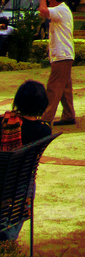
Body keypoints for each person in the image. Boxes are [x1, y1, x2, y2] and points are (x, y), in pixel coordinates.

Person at [0, 80, 51, 242]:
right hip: (20, 187)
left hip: (1, 182)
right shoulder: (43, 129)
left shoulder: (3, 122)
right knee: (27, 179)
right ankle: (8, 237)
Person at [37, 0, 76, 127]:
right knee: (65, 88)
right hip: (63, 54)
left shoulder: (60, 10)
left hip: (62, 55)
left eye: (48, 0)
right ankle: (68, 115)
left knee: (53, 87)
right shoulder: (63, 9)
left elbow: (42, 11)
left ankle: (46, 118)